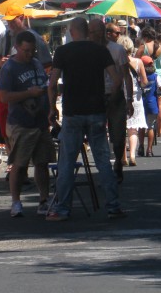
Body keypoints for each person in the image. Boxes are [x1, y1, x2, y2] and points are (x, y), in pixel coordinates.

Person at [46, 16, 125, 221]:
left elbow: (52, 83)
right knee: (103, 161)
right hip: (96, 111)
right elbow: (117, 79)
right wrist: (110, 100)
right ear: (88, 32)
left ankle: (62, 208)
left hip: (73, 112)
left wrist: (52, 107)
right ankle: (113, 206)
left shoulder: (63, 52)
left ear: (72, 32)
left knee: (66, 162)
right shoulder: (100, 51)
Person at [0, 30, 52, 218]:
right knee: (19, 165)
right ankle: (16, 202)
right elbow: (4, 97)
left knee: (42, 163)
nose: (30, 54)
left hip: (40, 121)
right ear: (17, 48)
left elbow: (44, 86)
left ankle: (43, 200)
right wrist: (29, 93)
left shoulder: (36, 64)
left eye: (32, 50)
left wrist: (51, 104)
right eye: (26, 50)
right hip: (21, 122)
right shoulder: (9, 68)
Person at [90, 19, 133, 183]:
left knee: (118, 134)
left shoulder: (117, 50)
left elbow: (126, 75)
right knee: (97, 133)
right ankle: (105, 167)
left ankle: (118, 164)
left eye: (94, 33)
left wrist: (129, 99)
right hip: (97, 96)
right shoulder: (90, 50)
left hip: (115, 96)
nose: (92, 36)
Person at [120, 35, 148, 167]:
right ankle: (132, 155)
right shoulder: (138, 62)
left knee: (121, 128)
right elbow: (144, 81)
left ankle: (123, 156)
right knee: (133, 129)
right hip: (135, 97)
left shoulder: (116, 62)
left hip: (120, 95)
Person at [140, 55, 159, 157]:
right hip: (152, 104)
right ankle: (149, 149)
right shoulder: (155, 77)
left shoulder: (139, 77)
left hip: (141, 104)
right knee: (150, 126)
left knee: (141, 126)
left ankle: (141, 146)